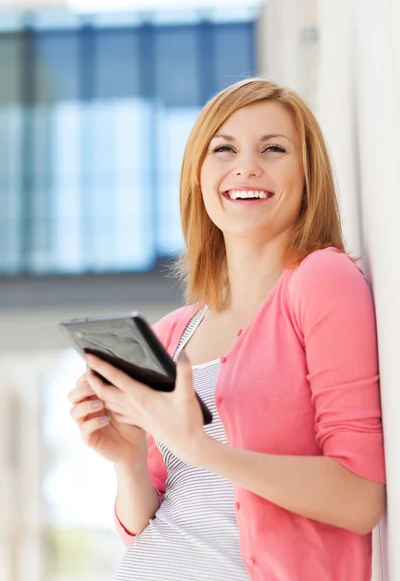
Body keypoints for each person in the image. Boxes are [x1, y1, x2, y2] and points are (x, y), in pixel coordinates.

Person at [68, 77, 386, 581]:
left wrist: (204, 450)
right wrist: (127, 459)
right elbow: (146, 523)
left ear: (308, 175)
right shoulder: (175, 333)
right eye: (224, 148)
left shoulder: (321, 281)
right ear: (198, 175)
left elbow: (361, 495)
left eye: (273, 148)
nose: (247, 167)